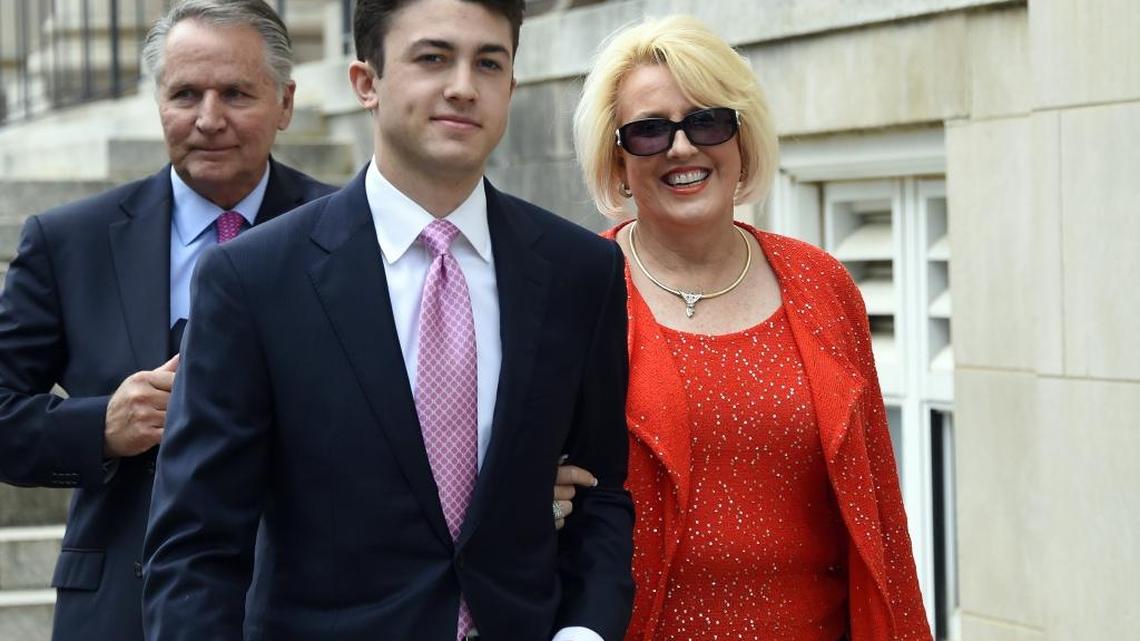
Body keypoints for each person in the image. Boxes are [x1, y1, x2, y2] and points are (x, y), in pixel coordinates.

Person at [141, 1, 634, 640]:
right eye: (432, 58)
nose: (462, 85)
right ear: (366, 83)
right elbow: (197, 543)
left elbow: (601, 495)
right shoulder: (254, 279)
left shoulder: (580, 271)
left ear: (510, 87)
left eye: (488, 63)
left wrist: (583, 633)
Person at [559, 15, 933, 641]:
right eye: (649, 131)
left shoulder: (822, 286)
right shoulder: (577, 295)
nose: (682, 148)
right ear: (616, 160)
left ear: (742, 139)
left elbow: (882, 521)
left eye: (707, 121)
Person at [0, 2, 334, 640]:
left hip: (305, 603)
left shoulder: (350, 232)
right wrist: (101, 425)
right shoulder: (69, 242)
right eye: (185, 94)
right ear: (158, 101)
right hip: (121, 607)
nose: (209, 119)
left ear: (286, 103)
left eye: (236, 93)